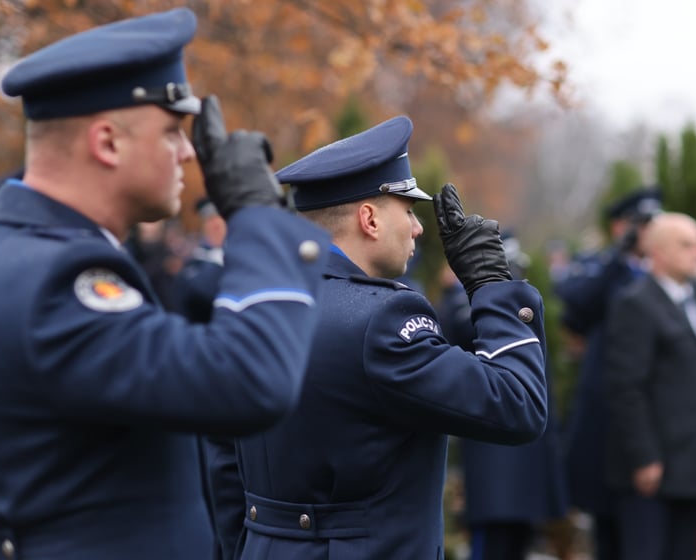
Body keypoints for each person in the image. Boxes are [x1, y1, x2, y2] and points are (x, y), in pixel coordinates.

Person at [0, 8, 330, 560]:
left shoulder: (11, 248)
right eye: (172, 129)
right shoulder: (60, 281)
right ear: (108, 143)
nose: (188, 151)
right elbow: (249, 381)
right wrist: (256, 215)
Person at [205, 115, 549, 559]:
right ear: (368, 218)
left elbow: (224, 463)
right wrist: (493, 288)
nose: (418, 227)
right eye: (407, 211)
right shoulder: (385, 318)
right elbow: (518, 406)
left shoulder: (257, 302)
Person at [437, 231, 568, 560]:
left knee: (519, 542)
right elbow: (461, 331)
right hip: (492, 450)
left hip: (527, 447)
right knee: (491, 544)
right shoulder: (463, 303)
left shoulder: (524, 299)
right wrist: (487, 288)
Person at [604, 212, 696, 560]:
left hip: (692, 466)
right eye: (687, 245)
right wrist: (645, 457)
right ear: (657, 252)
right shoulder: (636, 303)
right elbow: (626, 386)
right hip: (653, 470)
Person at [553, 187, 661, 559]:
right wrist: (619, 256)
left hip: (646, 416)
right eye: (641, 225)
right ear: (621, 227)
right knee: (606, 527)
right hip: (604, 414)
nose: (649, 232)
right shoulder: (604, 267)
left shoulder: (661, 274)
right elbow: (575, 305)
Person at [174, 198, 227, 322]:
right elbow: (200, 292)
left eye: (219, 220)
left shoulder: (241, 252)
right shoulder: (196, 262)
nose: (216, 226)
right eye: (210, 221)